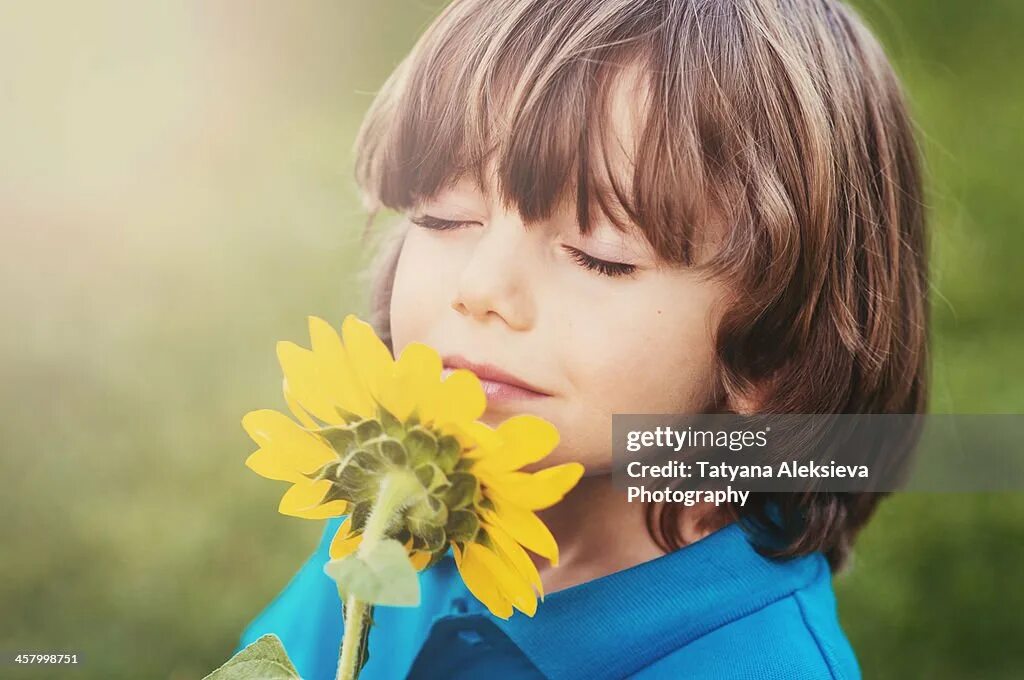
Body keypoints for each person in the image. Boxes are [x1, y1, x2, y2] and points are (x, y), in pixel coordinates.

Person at [237, 0, 928, 677]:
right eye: (444, 216)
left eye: (600, 255)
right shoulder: (398, 514)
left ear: (773, 349)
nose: (482, 288)